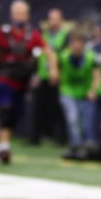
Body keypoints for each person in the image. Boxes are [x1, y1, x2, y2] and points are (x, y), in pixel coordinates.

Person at [0, 0, 57, 165]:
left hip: (22, 81)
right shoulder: (2, 33)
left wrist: (53, 69)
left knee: (15, 115)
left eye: (23, 13)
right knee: (5, 109)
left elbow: (48, 51)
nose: (20, 16)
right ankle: (5, 146)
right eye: (17, 13)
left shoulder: (32, 35)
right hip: (5, 78)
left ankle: (2, 144)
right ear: (12, 15)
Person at [58, 32, 101, 159]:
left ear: (83, 45)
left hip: (85, 93)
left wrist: (93, 90)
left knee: (85, 122)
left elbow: (97, 76)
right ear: (70, 45)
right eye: (74, 43)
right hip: (68, 91)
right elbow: (56, 68)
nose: (77, 46)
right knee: (72, 117)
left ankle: (83, 148)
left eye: (79, 43)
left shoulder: (91, 57)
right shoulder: (64, 56)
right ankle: (75, 145)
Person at [32, 8, 71, 146]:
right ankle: (36, 138)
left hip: (58, 77)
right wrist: (37, 73)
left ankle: (61, 138)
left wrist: (57, 72)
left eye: (55, 18)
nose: (52, 21)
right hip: (43, 75)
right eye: (51, 18)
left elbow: (66, 56)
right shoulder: (44, 35)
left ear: (61, 20)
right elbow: (39, 56)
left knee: (59, 109)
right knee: (39, 108)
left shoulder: (66, 35)